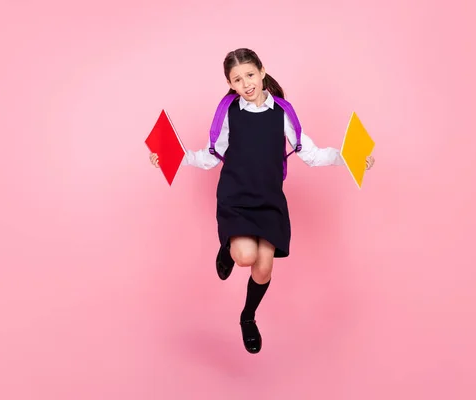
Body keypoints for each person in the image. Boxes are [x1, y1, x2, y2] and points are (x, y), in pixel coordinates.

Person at [149, 48, 375, 354]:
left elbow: (311, 154)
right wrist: (173, 157)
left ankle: (247, 316)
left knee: (263, 267)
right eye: (237, 79)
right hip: (236, 197)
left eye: (250, 75)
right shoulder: (228, 112)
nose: (246, 83)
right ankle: (229, 246)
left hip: (269, 200)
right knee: (244, 256)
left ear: (262, 71)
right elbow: (211, 155)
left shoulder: (283, 112)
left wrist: (348, 157)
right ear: (231, 84)